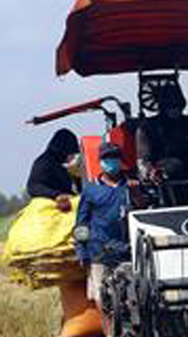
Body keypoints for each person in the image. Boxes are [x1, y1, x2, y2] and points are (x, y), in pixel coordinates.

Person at [74, 143, 131, 307]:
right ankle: (109, 333)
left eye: (115, 158)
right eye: (107, 158)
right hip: (99, 253)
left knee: (129, 297)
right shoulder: (91, 190)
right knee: (102, 299)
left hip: (128, 252)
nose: (111, 162)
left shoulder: (131, 186)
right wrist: (82, 251)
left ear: (121, 161)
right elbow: (81, 224)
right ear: (100, 162)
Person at [26, 128, 82, 212]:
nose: (73, 156)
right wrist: (57, 195)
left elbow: (78, 191)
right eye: (71, 153)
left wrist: (77, 178)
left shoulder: (61, 166)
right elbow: (33, 186)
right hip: (48, 208)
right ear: (64, 150)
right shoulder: (44, 163)